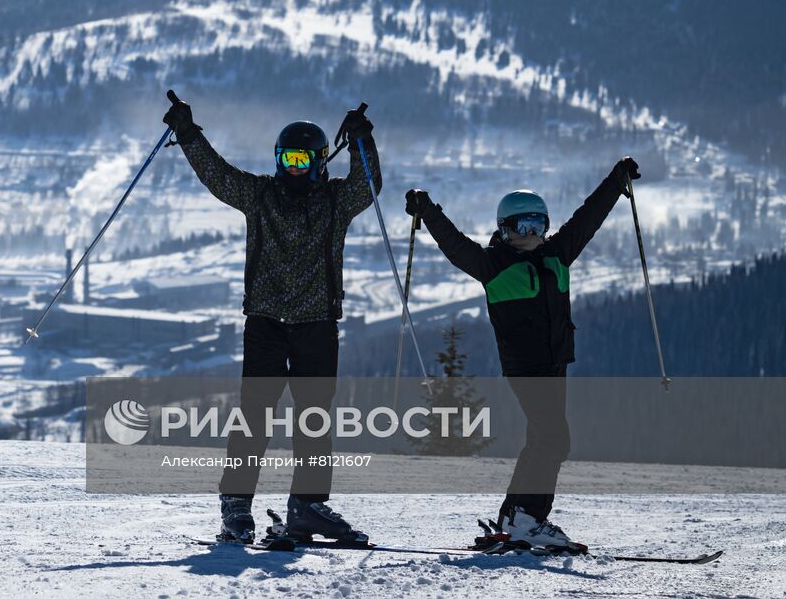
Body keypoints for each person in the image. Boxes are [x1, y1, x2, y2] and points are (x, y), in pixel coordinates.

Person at [162, 89, 378, 545]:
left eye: (301, 160)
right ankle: (237, 506)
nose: (291, 168)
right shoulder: (259, 195)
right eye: (286, 158)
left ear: (320, 161)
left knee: (314, 418)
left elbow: (369, 186)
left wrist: (363, 142)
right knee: (254, 417)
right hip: (265, 324)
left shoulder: (337, 202)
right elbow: (217, 175)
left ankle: (308, 505)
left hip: (318, 325)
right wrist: (187, 132)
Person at [404, 156, 639, 550]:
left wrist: (617, 181)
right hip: (526, 367)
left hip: (556, 361)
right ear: (505, 229)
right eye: (522, 226)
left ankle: (516, 516)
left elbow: (589, 217)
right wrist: (427, 210)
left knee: (544, 439)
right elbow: (454, 243)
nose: (532, 233)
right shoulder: (492, 264)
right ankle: (527, 518)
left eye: (539, 224)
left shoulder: (558, 252)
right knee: (553, 439)